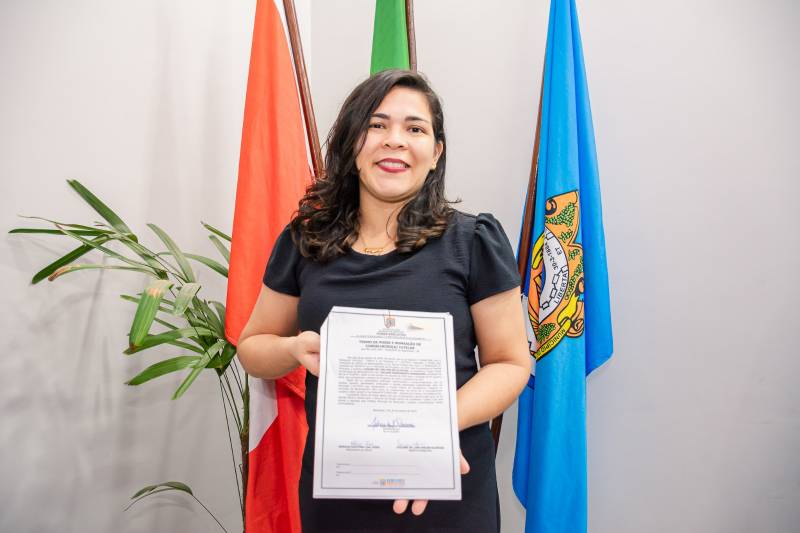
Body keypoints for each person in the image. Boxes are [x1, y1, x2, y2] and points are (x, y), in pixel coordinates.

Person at [237, 69, 531, 532]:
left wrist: (430, 428)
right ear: (352, 142)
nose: (395, 139)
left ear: (435, 153)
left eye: (415, 128)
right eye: (377, 125)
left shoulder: (474, 241)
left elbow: (510, 363)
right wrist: (293, 349)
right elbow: (252, 348)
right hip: (338, 497)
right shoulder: (305, 241)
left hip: (446, 490)